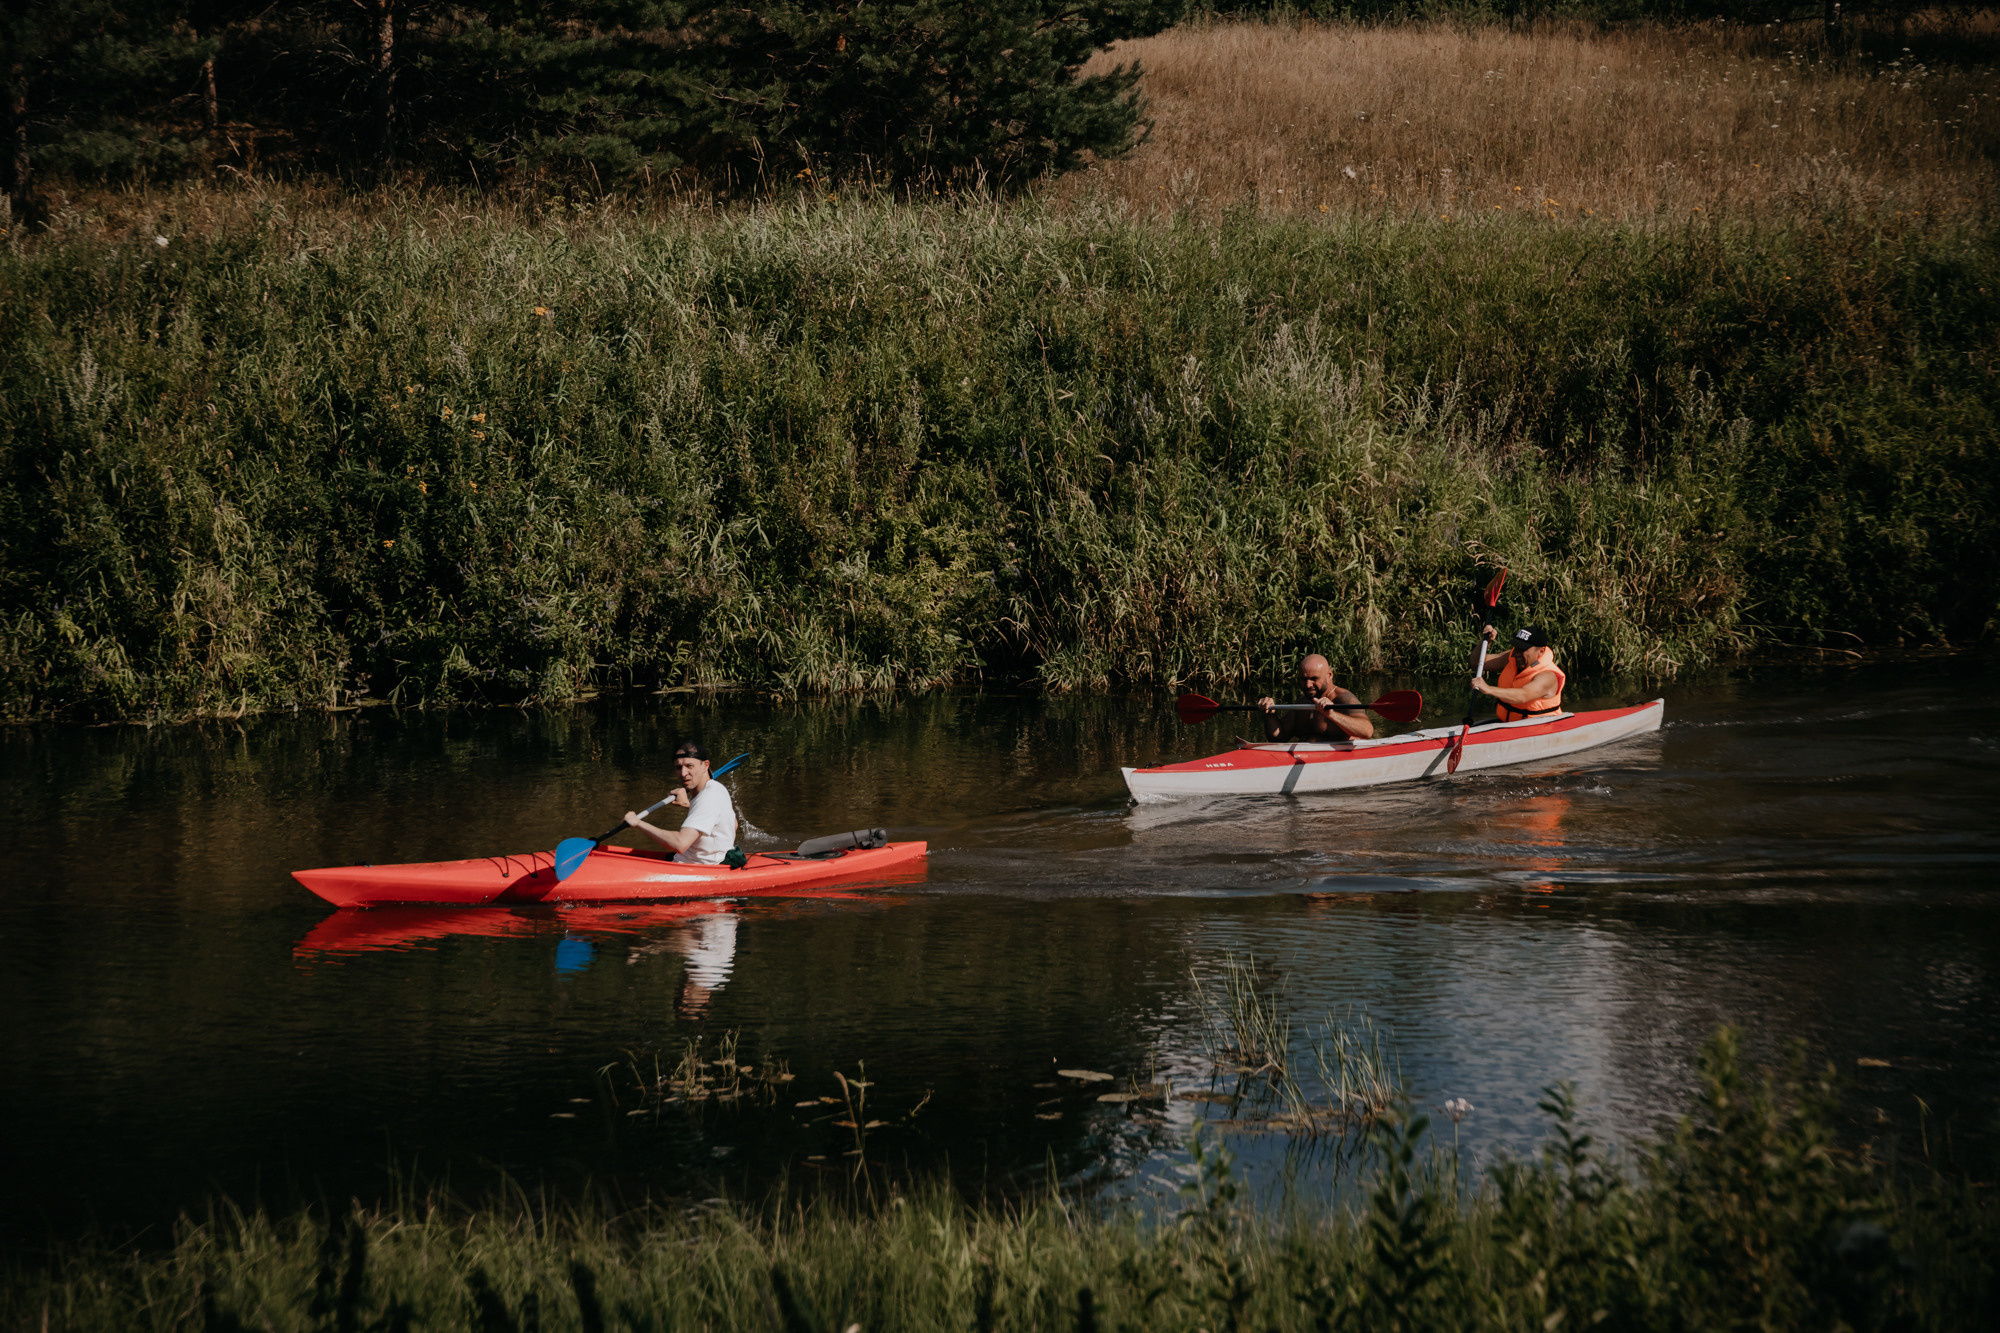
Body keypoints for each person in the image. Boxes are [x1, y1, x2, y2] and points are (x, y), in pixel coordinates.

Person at [623, 741, 738, 864]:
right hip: (707, 860)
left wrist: (638, 823)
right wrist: (690, 805)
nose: (683, 773)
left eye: (689, 766)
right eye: (679, 767)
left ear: (705, 765)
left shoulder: (708, 798)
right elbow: (733, 824)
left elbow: (680, 844)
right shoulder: (717, 787)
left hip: (698, 868)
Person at [1255, 653, 1374, 742]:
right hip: (1308, 761)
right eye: (1303, 679)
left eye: (1314, 679)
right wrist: (1270, 714)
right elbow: (1278, 738)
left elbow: (1367, 731)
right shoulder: (1302, 702)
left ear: (1329, 675)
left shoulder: (1343, 699)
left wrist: (1332, 714)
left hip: (1339, 764)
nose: (1307, 685)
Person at [1471, 624, 1566, 721]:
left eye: (1523, 649)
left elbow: (1523, 695)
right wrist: (1486, 642)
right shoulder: (1511, 658)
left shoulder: (1547, 676)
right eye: (1516, 647)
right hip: (1509, 724)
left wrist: (1488, 689)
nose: (1516, 653)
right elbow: (1476, 663)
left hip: (1542, 728)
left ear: (1541, 651)